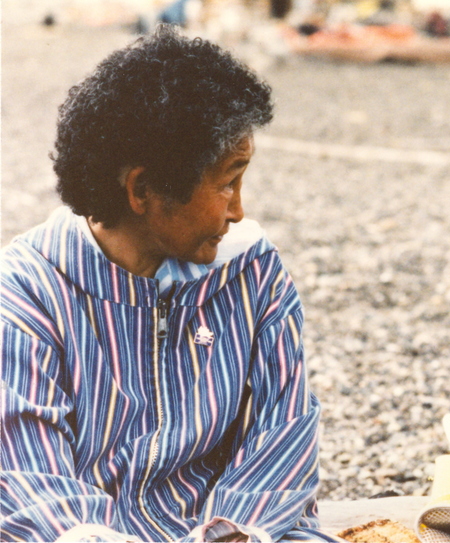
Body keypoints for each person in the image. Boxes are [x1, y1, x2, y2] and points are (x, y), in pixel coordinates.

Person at [0, 25, 339, 542]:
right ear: (143, 189)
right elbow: (31, 480)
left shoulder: (252, 269)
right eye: (227, 180)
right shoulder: (26, 291)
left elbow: (284, 431)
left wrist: (231, 533)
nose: (239, 209)